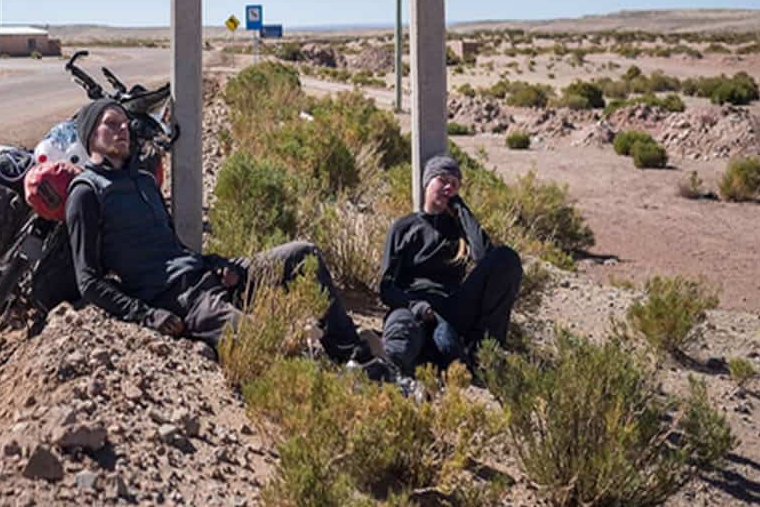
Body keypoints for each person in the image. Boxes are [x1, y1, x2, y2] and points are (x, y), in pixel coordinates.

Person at [65, 98, 389, 377]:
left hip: (206, 276)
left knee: (303, 254)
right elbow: (88, 281)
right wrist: (147, 315)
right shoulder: (87, 192)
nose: (123, 129)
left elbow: (172, 249)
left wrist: (215, 263)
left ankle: (351, 354)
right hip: (182, 300)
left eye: (124, 123)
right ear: (91, 134)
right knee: (263, 342)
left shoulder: (146, 182)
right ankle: (323, 391)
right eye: (111, 124)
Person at [379, 155, 523, 374]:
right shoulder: (403, 228)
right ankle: (389, 368)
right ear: (427, 182)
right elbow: (386, 288)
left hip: (453, 308)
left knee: (505, 258)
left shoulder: (459, 230)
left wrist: (460, 208)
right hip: (414, 305)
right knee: (402, 327)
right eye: (443, 180)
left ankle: (484, 354)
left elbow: (484, 257)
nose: (449, 187)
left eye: (454, 185)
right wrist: (417, 306)